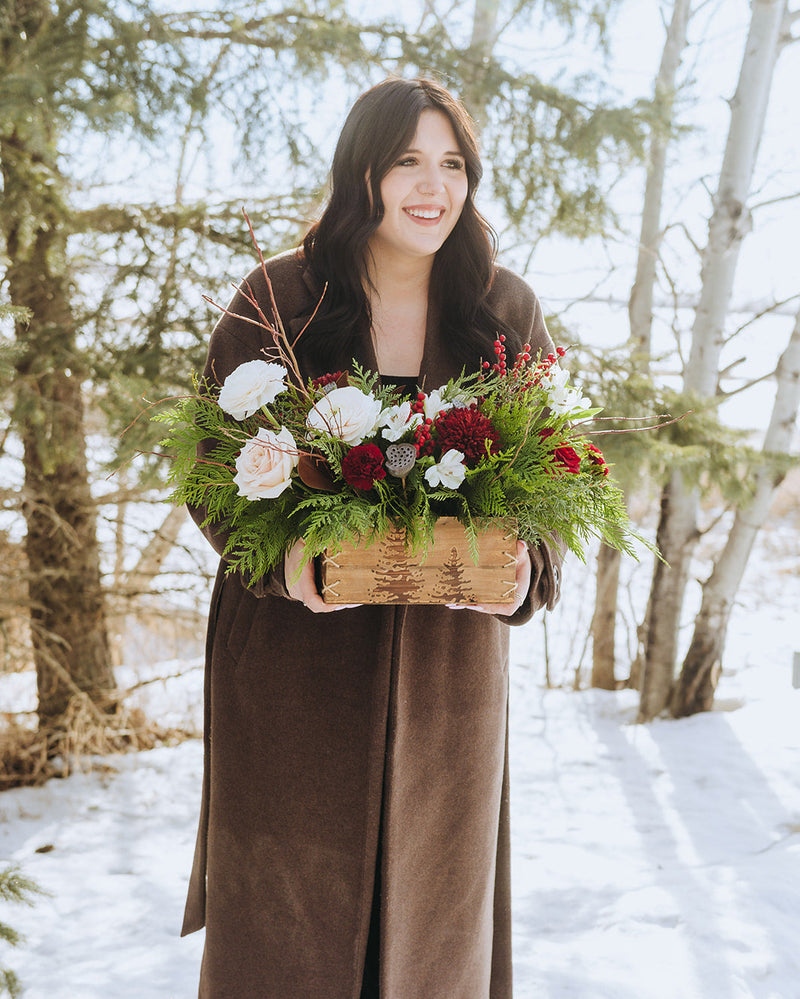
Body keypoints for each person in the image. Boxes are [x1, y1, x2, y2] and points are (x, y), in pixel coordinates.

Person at [181, 76, 562, 999]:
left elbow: (556, 487)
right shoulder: (282, 297)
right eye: (407, 163)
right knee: (286, 941)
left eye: (453, 164)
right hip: (292, 675)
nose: (433, 186)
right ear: (363, 171)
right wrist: (283, 559)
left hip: (448, 688)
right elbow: (207, 470)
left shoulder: (502, 312)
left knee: (431, 946)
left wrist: (526, 574)